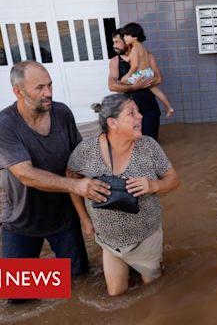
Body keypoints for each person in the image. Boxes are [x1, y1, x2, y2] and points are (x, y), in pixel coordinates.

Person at [0, 61, 111, 279]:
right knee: (20, 297)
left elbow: (79, 158)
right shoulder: (5, 125)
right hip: (21, 221)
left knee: (78, 282)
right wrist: (77, 186)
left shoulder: (62, 113)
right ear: (18, 91)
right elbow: (26, 175)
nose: (48, 93)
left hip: (63, 217)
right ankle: (49, 283)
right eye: (39, 88)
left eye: (50, 85)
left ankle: (55, 284)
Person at [67, 94, 179, 296]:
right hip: (109, 241)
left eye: (138, 111)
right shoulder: (86, 151)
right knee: (116, 294)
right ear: (112, 122)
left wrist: (153, 185)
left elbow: (173, 179)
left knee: (153, 290)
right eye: (132, 113)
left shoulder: (149, 146)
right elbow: (71, 181)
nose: (141, 116)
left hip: (145, 236)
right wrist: (85, 219)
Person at [108, 29, 164, 140]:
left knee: (151, 142)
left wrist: (146, 82)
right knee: (132, 144)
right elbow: (112, 86)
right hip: (128, 111)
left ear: (127, 41)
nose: (114, 46)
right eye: (114, 42)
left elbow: (159, 79)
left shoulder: (146, 55)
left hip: (149, 108)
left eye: (117, 42)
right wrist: (134, 87)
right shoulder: (115, 61)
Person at [119, 23, 174, 118]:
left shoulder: (135, 49)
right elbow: (128, 59)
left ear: (135, 36)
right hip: (148, 72)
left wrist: (128, 75)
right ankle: (169, 107)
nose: (124, 38)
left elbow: (135, 65)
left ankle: (121, 111)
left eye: (126, 35)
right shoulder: (142, 48)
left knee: (122, 82)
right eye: (123, 35)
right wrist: (121, 56)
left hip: (140, 74)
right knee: (155, 91)